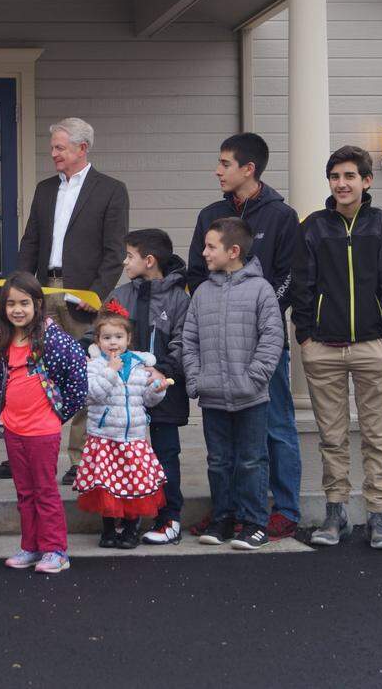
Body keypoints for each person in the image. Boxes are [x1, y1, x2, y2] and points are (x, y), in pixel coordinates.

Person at [0, 117, 128, 485]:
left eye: (59, 148)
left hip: (83, 296)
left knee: (85, 376)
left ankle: (80, 458)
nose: (52, 153)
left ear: (81, 149)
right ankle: (26, 450)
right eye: (53, 147)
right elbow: (31, 243)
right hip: (42, 294)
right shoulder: (43, 189)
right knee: (33, 375)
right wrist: (20, 290)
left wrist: (97, 295)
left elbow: (114, 250)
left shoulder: (111, 190)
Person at [292, 146, 382, 550]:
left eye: (348, 176)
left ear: (365, 181)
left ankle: (379, 516)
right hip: (323, 348)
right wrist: (305, 335)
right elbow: (302, 284)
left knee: (377, 435)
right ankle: (336, 512)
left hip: (371, 347)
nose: (341, 184)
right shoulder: (313, 227)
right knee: (333, 436)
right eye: (334, 177)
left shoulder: (381, 225)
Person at [185, 133, 302, 541]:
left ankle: (283, 510)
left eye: (224, 163)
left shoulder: (281, 215)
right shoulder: (210, 214)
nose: (217, 171)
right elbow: (196, 277)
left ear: (248, 169)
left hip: (264, 350)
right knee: (223, 447)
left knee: (275, 429)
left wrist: (265, 307)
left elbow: (290, 275)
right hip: (219, 350)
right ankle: (229, 513)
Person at [182, 218, 283, 550]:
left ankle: (254, 523)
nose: (204, 252)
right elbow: (190, 339)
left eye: (211, 246)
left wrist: (253, 379)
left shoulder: (261, 290)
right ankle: (223, 518)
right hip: (212, 396)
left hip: (251, 397)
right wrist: (196, 379)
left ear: (233, 251)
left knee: (252, 460)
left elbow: (271, 339)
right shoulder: (203, 293)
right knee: (219, 461)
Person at [0, 272, 87, 574]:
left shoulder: (53, 339)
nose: (17, 309)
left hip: (43, 431)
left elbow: (78, 379)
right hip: (13, 428)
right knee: (24, 492)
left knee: (45, 491)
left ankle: (56, 550)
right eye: (11, 303)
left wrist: (57, 414)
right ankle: (30, 546)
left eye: (24, 303)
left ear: (37, 304)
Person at [107, 229, 190, 545]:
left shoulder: (179, 298)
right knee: (127, 453)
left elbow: (184, 340)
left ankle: (169, 517)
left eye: (130, 256)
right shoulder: (121, 296)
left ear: (149, 260)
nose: (124, 261)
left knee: (165, 453)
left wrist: (162, 370)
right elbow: (104, 334)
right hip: (124, 395)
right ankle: (129, 515)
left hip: (163, 390)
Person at [73, 302, 169, 549]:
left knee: (133, 484)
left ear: (128, 339)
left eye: (118, 337)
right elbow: (92, 395)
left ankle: (130, 529)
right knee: (106, 486)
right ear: (98, 340)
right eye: (107, 337)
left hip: (134, 438)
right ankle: (107, 530)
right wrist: (109, 371)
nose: (113, 342)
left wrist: (157, 390)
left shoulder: (139, 366)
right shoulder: (93, 366)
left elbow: (146, 399)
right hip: (104, 438)